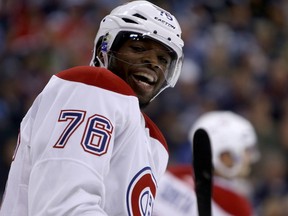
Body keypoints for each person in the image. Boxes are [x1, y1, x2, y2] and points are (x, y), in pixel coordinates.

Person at [0, 1, 184, 215]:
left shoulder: (152, 139)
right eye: (138, 48)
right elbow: (66, 208)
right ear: (104, 48)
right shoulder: (94, 84)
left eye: (163, 59)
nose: (153, 63)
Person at [153, 111, 260, 216]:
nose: (251, 158)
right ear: (225, 156)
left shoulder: (166, 175)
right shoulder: (235, 206)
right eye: (247, 150)